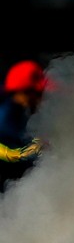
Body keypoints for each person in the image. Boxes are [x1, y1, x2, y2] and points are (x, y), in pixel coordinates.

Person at [0, 61, 45, 193]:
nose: (41, 98)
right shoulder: (5, 120)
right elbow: (12, 155)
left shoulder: (22, 111)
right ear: (23, 92)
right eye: (37, 93)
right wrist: (37, 149)